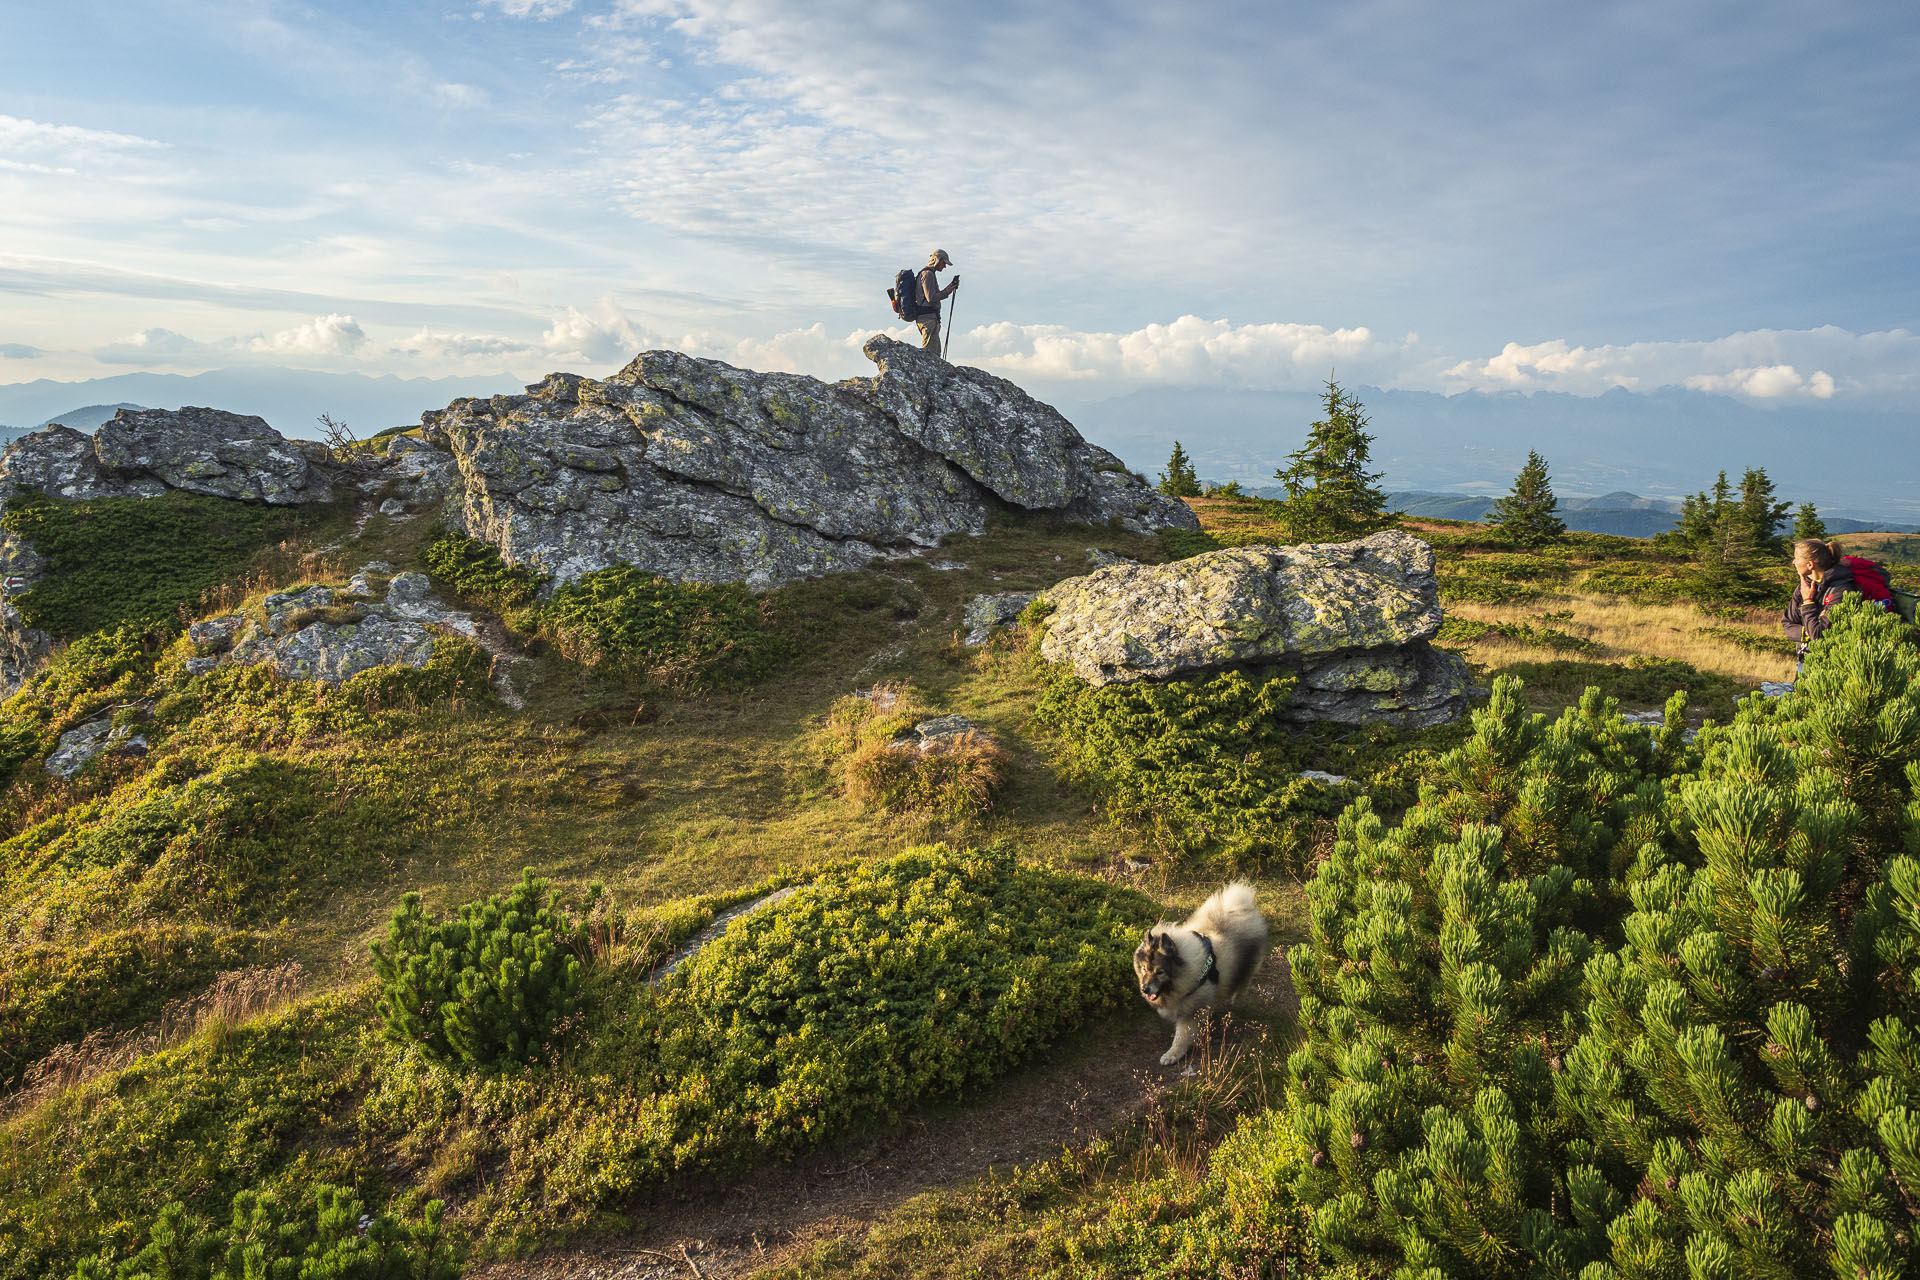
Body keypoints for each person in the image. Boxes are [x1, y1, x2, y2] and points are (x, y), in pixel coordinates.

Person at [1783, 538, 1860, 663]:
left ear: (1810, 564)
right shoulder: (1803, 586)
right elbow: (1787, 624)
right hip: (1806, 658)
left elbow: (1819, 637)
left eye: (1796, 558)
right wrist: (1806, 632)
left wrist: (1808, 601)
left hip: (1833, 663)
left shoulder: (1842, 590)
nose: (1793, 562)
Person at [914, 250, 959, 353]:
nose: (944, 266)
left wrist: (948, 290)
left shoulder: (928, 274)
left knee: (934, 354)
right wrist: (947, 291)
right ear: (937, 260)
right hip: (928, 320)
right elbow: (931, 298)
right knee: (930, 354)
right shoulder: (928, 274)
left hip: (929, 319)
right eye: (944, 263)